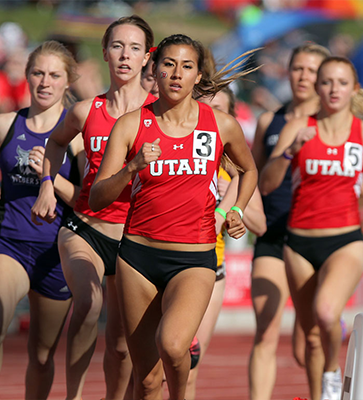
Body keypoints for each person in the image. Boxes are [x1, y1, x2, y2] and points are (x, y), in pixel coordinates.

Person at [88, 34, 258, 400]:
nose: (177, 74)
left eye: (186, 66)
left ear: (198, 76)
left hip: (194, 258)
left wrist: (233, 210)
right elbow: (99, 197)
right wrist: (131, 167)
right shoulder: (131, 125)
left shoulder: (221, 125)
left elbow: (249, 170)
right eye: (168, 64)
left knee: (175, 345)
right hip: (138, 257)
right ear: (154, 70)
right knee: (146, 380)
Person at [259, 56, 363, 400]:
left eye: (341, 82)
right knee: (310, 334)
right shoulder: (297, 127)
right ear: (317, 87)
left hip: (345, 242)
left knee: (326, 313)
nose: (333, 89)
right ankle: (319, 393)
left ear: (354, 89)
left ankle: (331, 374)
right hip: (298, 244)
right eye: (326, 82)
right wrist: (288, 152)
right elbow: (266, 184)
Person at [31, 15, 155, 400]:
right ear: (104, 53)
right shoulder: (87, 112)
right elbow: (54, 144)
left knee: (121, 345)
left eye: (135, 48)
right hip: (84, 227)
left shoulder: (161, 113)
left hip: (135, 239)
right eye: (117, 46)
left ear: (147, 57)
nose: (124, 55)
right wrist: (47, 186)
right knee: (87, 302)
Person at [0, 40, 78, 400]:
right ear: (26, 76)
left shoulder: (78, 134)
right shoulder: (5, 124)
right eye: (38, 73)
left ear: (67, 82)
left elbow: (89, 200)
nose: (45, 81)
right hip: (8, 242)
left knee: (41, 355)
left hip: (55, 254)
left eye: (54, 75)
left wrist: (51, 177)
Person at [248, 43, 330, 400]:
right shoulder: (270, 120)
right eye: (298, 68)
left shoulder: (332, 123)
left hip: (316, 237)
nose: (303, 77)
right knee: (265, 331)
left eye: (312, 71)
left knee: (306, 344)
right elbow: (252, 178)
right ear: (288, 70)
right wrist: (241, 212)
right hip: (274, 232)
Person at [185, 87, 267, 400]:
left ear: (231, 117)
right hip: (166, 261)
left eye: (220, 109)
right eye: (205, 107)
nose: (212, 115)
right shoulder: (182, 147)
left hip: (210, 269)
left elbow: (260, 224)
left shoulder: (234, 167)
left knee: (189, 366)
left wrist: (233, 204)